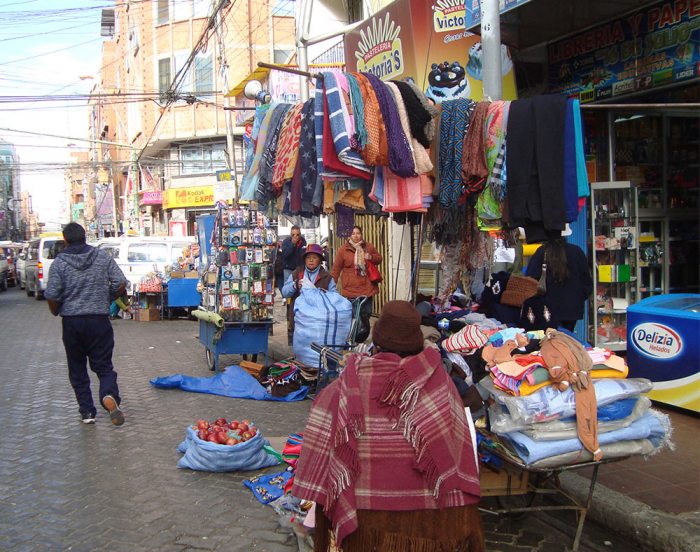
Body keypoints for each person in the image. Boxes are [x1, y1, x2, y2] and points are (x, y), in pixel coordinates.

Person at [292, 300, 483, 551]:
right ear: (417, 343)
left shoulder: (343, 388)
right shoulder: (440, 383)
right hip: (427, 519)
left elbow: (322, 456)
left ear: (377, 342)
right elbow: (460, 450)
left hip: (363, 520)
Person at [45, 222, 127, 426]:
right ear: (85, 237)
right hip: (99, 320)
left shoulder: (59, 263)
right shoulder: (102, 257)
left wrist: (56, 310)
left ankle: (87, 412)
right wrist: (107, 298)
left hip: (72, 323)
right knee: (104, 367)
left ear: (65, 240)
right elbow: (121, 282)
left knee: (77, 368)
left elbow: (53, 295)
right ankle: (109, 395)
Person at [525, 236, 593, 331]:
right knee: (567, 339)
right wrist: (579, 298)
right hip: (572, 309)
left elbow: (530, 280)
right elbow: (587, 283)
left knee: (548, 339)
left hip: (546, 308)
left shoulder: (542, 252)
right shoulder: (577, 251)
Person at [331, 225, 382, 337]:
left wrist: (371, 257)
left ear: (361, 234)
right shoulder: (343, 250)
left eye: (358, 233)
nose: (355, 236)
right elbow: (336, 269)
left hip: (367, 287)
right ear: (350, 235)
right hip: (351, 289)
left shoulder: (368, 247)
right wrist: (331, 286)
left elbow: (379, 258)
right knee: (354, 315)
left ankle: (362, 335)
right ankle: (355, 337)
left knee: (366, 313)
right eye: (353, 233)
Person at [282, 243, 337, 337]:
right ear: (305, 260)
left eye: (314, 257)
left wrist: (322, 294)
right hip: (300, 320)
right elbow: (284, 292)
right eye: (308, 257)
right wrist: (295, 285)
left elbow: (335, 297)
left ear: (320, 260)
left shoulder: (327, 277)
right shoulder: (297, 273)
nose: (311, 260)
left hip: (319, 321)